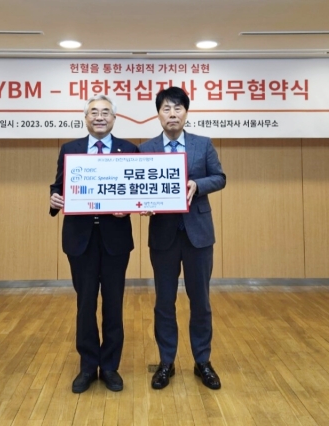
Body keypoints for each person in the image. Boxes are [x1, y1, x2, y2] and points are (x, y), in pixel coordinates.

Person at [49, 94, 138, 393]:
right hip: (80, 239)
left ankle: (110, 366)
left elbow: (136, 189)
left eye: (105, 112)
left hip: (115, 239)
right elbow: (59, 185)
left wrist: (129, 206)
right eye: (94, 112)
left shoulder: (129, 149)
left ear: (114, 118)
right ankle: (88, 366)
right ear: (85, 118)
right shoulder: (70, 149)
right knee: (85, 303)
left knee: (114, 303)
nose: (100, 117)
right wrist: (54, 198)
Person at [139, 87, 226, 390]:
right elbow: (139, 186)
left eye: (178, 108)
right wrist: (143, 203)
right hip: (163, 236)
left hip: (198, 235)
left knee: (200, 301)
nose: (172, 114)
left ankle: (203, 361)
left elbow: (220, 177)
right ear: (158, 114)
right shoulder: (145, 149)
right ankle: (166, 362)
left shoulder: (203, 144)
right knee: (164, 302)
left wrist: (197, 185)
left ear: (186, 113)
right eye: (166, 108)